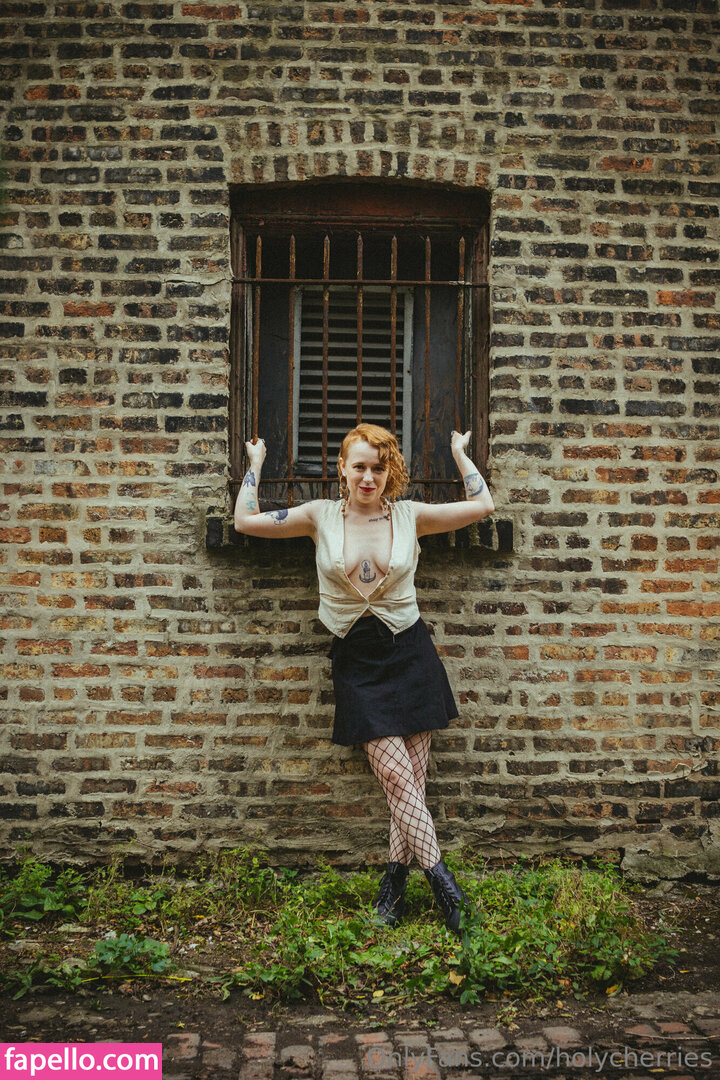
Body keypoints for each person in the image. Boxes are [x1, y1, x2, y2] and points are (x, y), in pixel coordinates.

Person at [233, 423, 494, 934]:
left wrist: (461, 454)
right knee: (397, 779)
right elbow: (244, 521)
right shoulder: (319, 515)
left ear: (388, 470)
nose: (369, 477)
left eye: (378, 467)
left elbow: (483, 506)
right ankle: (449, 893)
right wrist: (256, 466)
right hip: (356, 659)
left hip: (410, 652)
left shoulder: (410, 515)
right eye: (360, 467)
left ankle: (393, 886)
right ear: (343, 469)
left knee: (410, 784)